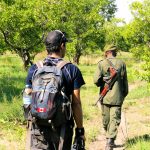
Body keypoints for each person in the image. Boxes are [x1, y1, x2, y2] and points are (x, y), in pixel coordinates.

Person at [24, 30, 85, 150]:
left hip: (38, 127)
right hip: (62, 128)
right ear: (62, 45)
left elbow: (27, 96)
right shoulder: (71, 69)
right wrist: (80, 130)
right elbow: (76, 103)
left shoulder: (34, 68)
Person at [93, 44, 128, 150]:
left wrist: (103, 80)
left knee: (106, 119)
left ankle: (109, 141)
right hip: (117, 97)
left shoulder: (101, 63)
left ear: (106, 52)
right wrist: (123, 94)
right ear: (114, 52)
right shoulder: (122, 63)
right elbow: (125, 82)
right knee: (114, 119)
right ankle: (110, 139)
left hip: (105, 97)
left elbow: (96, 81)